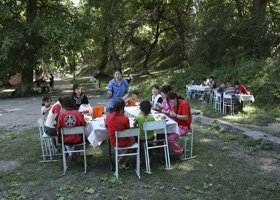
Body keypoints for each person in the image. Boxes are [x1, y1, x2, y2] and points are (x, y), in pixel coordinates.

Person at [105, 99, 135, 169]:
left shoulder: (108, 116)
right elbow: (127, 130)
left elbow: (107, 126)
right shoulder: (125, 118)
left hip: (114, 141)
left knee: (123, 141)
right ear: (123, 107)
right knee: (132, 140)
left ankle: (122, 161)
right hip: (124, 141)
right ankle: (122, 160)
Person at [56, 96, 87, 163]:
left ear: (64, 104)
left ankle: (70, 154)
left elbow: (58, 127)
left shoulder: (61, 115)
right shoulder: (78, 113)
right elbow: (84, 124)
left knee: (62, 136)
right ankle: (73, 154)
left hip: (65, 139)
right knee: (82, 136)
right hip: (77, 139)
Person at [167, 92, 192, 160]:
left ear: (175, 99)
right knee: (163, 133)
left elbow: (186, 117)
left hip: (184, 127)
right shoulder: (175, 104)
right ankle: (163, 152)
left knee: (170, 138)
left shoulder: (184, 104)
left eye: (171, 101)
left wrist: (175, 115)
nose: (171, 103)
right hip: (177, 125)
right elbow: (174, 115)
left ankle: (180, 151)